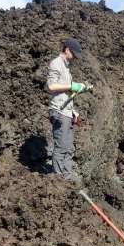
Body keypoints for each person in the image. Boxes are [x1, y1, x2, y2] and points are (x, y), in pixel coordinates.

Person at [45, 38, 89, 182]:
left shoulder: (67, 68)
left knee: (69, 148)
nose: (75, 58)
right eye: (74, 54)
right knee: (62, 147)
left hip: (67, 112)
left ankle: (68, 178)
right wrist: (71, 86)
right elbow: (51, 86)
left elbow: (65, 94)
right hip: (59, 111)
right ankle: (58, 181)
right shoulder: (56, 63)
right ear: (67, 49)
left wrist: (73, 112)